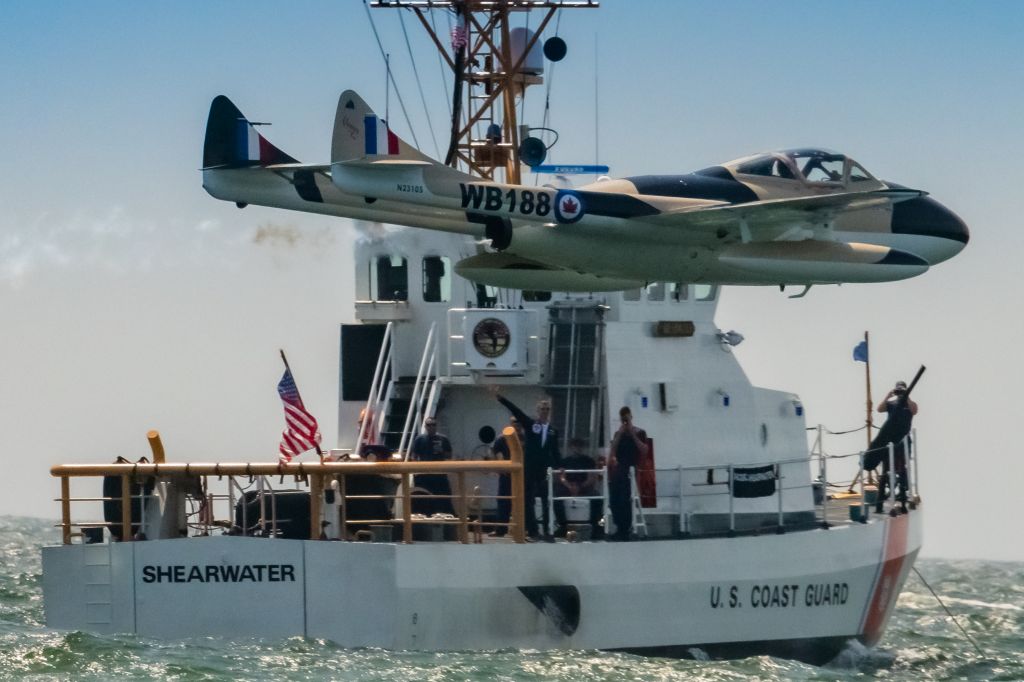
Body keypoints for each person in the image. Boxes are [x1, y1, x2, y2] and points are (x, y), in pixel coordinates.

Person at [494, 391, 560, 539]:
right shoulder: (531, 425)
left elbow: (555, 451)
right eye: (542, 409)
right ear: (538, 411)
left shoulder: (553, 431)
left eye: (547, 409)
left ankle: (549, 531)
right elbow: (516, 411)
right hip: (529, 468)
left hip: (544, 470)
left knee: (547, 500)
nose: (545, 411)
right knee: (527, 500)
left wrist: (559, 466)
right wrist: (502, 399)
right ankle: (533, 530)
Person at [865, 381, 917, 514]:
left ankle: (903, 498)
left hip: (903, 441)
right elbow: (879, 408)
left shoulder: (909, 405)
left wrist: (907, 397)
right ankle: (879, 503)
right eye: (898, 391)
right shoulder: (893, 404)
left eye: (902, 391)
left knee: (903, 471)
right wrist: (888, 396)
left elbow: (915, 410)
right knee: (885, 471)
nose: (900, 394)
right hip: (890, 442)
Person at [608, 406, 648, 541]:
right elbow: (613, 451)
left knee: (625, 498)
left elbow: (644, 450)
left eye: (627, 418)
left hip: (631, 468)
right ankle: (619, 526)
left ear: (631, 417)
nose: (625, 421)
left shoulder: (640, 432)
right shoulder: (618, 434)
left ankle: (626, 527)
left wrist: (632, 434)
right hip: (620, 468)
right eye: (623, 419)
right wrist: (620, 434)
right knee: (614, 498)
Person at [553, 438, 603, 538]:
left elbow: (591, 477)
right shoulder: (564, 461)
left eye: (580, 446)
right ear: (571, 447)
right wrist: (569, 486)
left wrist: (580, 487)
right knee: (556, 497)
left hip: (584, 487)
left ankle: (596, 526)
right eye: (575, 446)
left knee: (597, 498)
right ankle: (562, 526)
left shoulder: (588, 461)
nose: (577, 448)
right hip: (568, 487)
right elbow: (561, 477)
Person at [409, 418, 455, 516]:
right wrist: (416, 470)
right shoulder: (419, 439)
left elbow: (449, 455)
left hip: (439, 474)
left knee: (444, 497)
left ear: (436, 426)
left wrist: (440, 451)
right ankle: (426, 515)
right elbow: (414, 456)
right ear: (425, 426)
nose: (431, 427)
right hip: (424, 475)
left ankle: (445, 515)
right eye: (428, 425)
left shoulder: (443, 439)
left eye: (433, 424)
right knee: (424, 497)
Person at [489, 416, 524, 536]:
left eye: (519, 423)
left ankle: (524, 529)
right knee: (503, 502)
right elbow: (492, 451)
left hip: (523, 477)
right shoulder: (502, 438)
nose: (517, 425)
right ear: (511, 424)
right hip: (507, 476)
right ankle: (501, 530)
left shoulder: (526, 437)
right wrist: (498, 467)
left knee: (524, 502)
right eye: (515, 423)